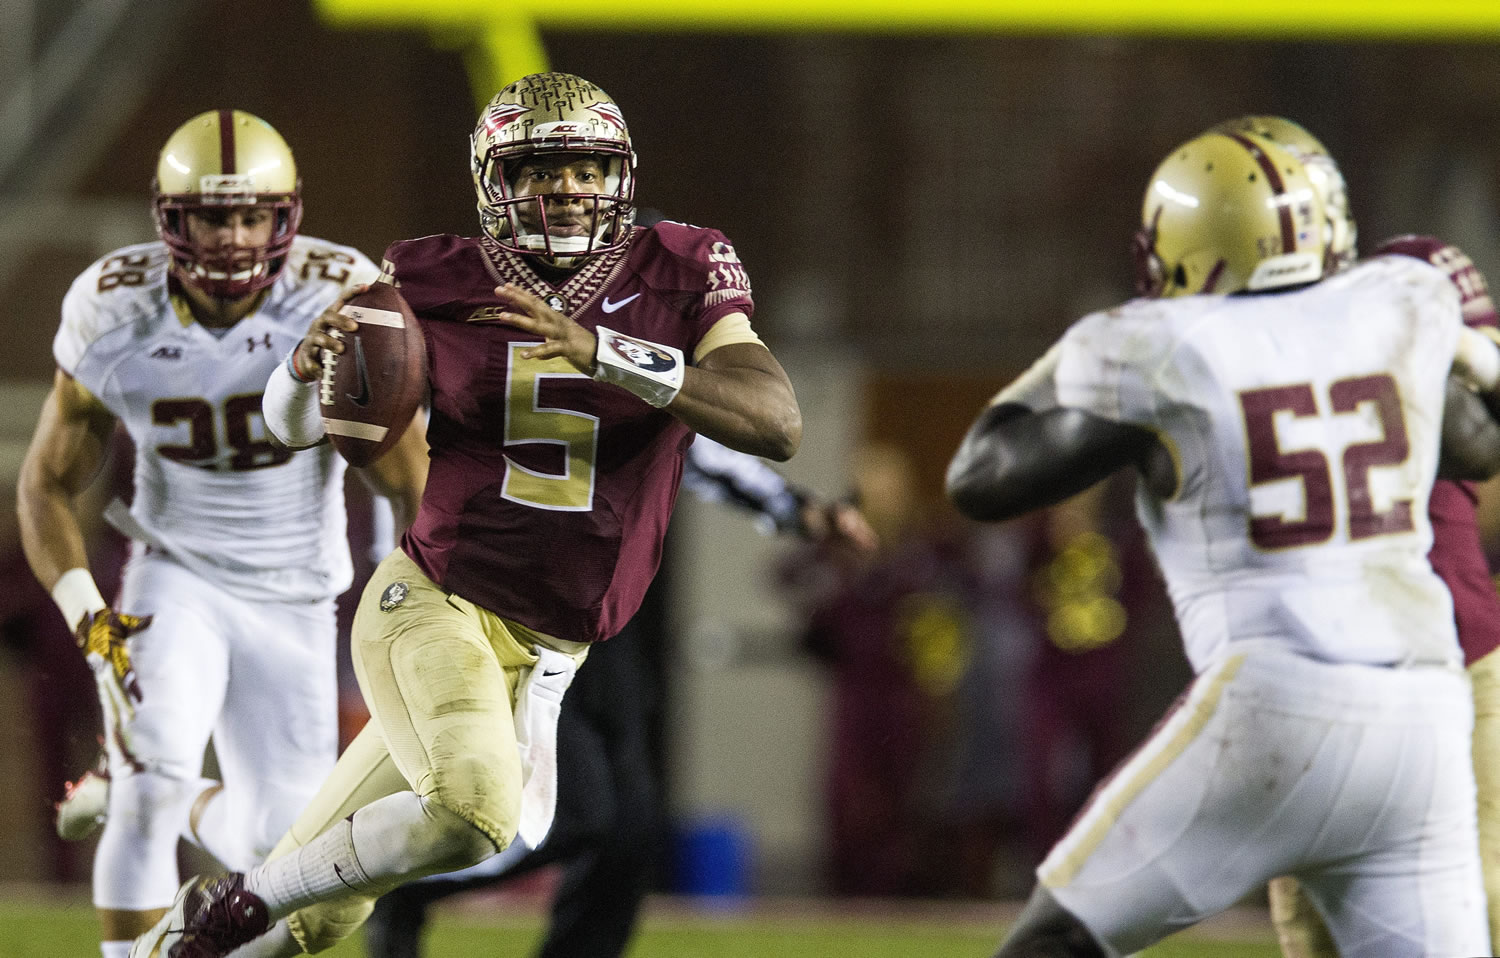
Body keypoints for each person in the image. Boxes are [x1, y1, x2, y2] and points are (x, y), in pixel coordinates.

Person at [131, 71, 802, 957]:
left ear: (620, 177)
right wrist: (299, 373)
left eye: (586, 170)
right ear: (495, 183)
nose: (564, 191)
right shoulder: (430, 275)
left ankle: (199, 932)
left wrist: (603, 352)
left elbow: (775, 421)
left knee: (323, 917)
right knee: (474, 814)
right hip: (438, 600)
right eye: (535, 172)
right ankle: (239, 901)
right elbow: (304, 430)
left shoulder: (679, 265)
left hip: (555, 649)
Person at [946, 128, 1500, 956]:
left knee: (1055, 942)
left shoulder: (1168, 349)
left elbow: (981, 478)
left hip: (1278, 704)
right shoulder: (1397, 301)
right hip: (1422, 714)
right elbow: (1481, 445)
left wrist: (1066, 360)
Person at [16, 109, 427, 958]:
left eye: (251, 215)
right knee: (147, 783)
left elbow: (408, 477)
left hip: (302, 590)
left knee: (286, 844)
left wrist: (414, 613)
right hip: (175, 573)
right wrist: (90, 615)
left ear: (287, 218)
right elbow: (47, 484)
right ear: (171, 217)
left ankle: (179, 792)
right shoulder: (113, 304)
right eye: (213, 215)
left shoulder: (342, 295)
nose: (234, 238)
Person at [362, 436, 876, 958]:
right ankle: (404, 884)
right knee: (577, 816)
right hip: (503, 614)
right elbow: (413, 456)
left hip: (605, 617)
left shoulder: (616, 363)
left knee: (629, 833)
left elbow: (687, 442)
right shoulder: (470, 361)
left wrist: (797, 508)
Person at [1205, 116, 1500, 958]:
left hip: (1459, 655)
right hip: (1318, 680)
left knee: (1483, 897)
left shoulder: (1412, 306)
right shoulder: (1241, 351)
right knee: (1317, 926)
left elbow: (1481, 446)